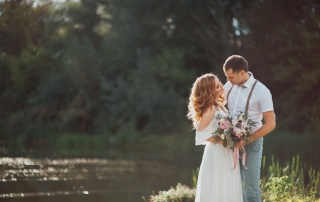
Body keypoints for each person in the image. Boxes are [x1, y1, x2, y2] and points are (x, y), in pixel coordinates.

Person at [223, 55, 276, 202]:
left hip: (252, 143)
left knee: (251, 190)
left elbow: (271, 123)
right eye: (226, 76)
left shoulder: (262, 91)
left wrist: (247, 139)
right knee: (235, 188)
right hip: (230, 143)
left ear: (242, 73)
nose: (227, 80)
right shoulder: (229, 86)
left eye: (230, 76)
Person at [187, 73, 243, 202]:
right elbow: (199, 135)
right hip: (217, 154)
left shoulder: (219, 105)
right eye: (217, 86)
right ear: (210, 91)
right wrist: (225, 140)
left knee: (227, 186)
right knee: (219, 186)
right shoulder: (210, 109)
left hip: (226, 152)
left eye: (220, 83)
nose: (221, 86)